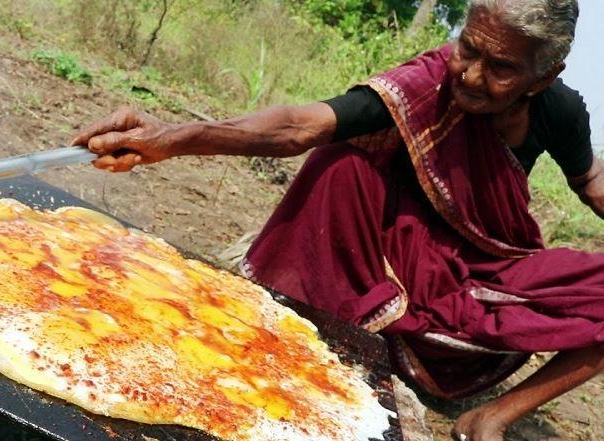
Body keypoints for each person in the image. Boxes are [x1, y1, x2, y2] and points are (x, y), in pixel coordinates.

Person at [70, 0, 604, 440]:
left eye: (502, 68)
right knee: (340, 162)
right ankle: (299, 323)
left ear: (542, 77)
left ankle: (489, 415)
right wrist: (174, 138)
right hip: (392, 252)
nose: (470, 73)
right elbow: (300, 127)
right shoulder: (425, 85)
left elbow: (591, 182)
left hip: (479, 265)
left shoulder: (559, 111)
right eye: (467, 48)